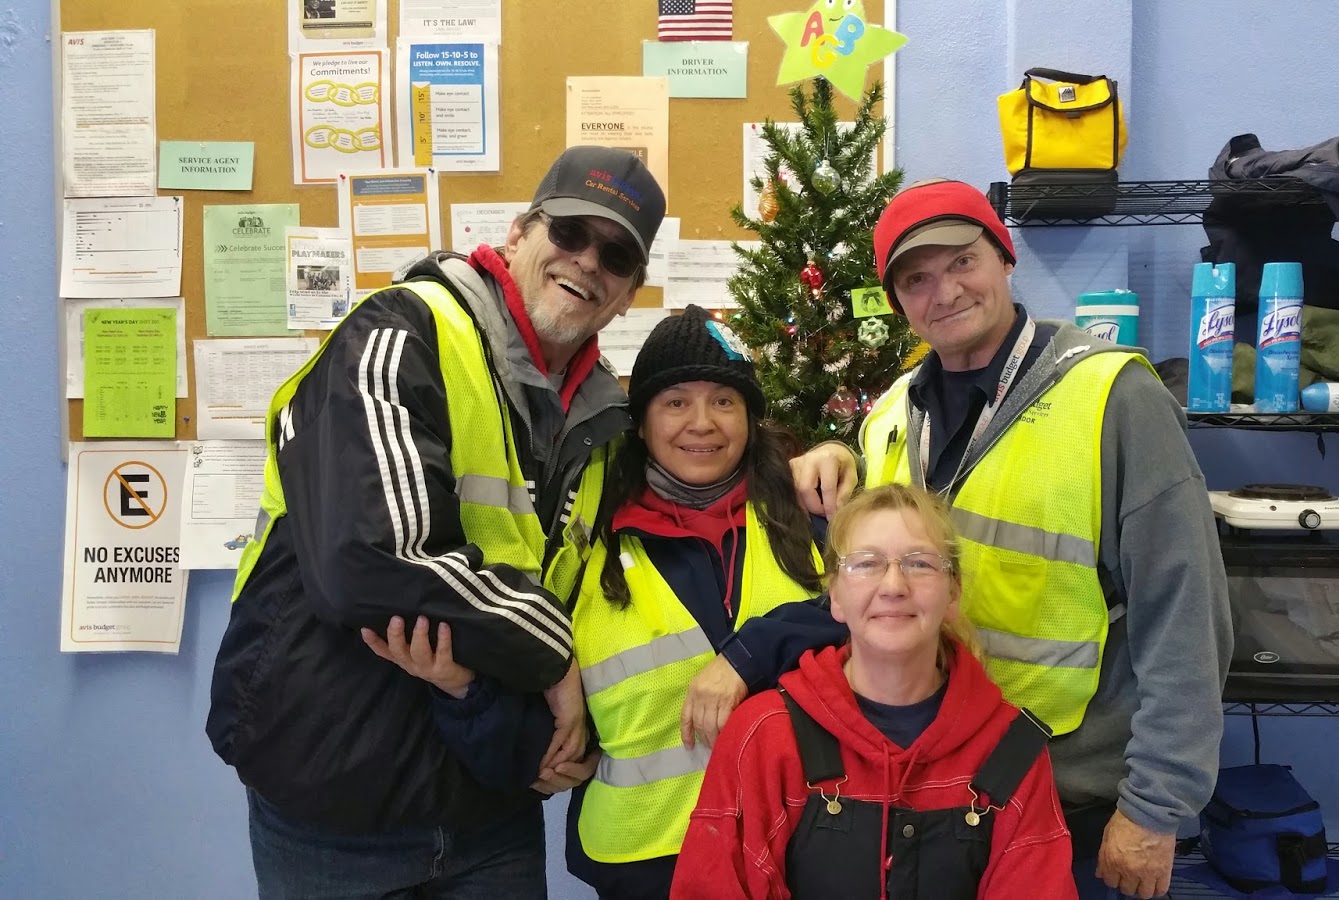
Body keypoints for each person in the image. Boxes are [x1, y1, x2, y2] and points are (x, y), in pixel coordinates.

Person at [206, 145, 665, 899]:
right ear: (518, 235)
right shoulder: (399, 334)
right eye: (570, 232)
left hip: (491, 811)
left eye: (616, 255)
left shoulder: (603, 422)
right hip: (334, 808)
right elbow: (372, 561)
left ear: (626, 296)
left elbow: (626, 553)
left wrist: (809, 466)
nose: (588, 260)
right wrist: (552, 656)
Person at [790, 178, 1234, 900]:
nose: (945, 291)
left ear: (1004, 257)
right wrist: (834, 457)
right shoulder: (889, 418)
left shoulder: (1113, 398)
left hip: (1073, 801)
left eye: (963, 262)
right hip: (930, 796)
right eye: (917, 279)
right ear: (897, 301)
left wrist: (1156, 808)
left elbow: (1186, 613)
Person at [366, 304, 848, 899]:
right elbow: (533, 746)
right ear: (640, 423)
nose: (702, 423)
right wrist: (465, 690)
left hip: (806, 848)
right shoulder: (586, 548)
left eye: (724, 401)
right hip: (649, 865)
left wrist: (752, 652)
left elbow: (889, 624)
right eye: (676, 402)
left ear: (750, 419)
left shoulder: (809, 520)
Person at [672, 483, 1076, 900]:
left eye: (920, 563)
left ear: (953, 592)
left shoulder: (1011, 750)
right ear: (835, 596)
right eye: (866, 564)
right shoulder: (766, 735)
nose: (894, 585)